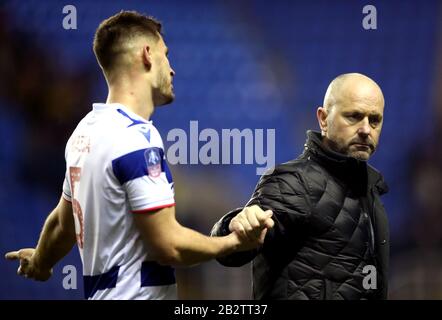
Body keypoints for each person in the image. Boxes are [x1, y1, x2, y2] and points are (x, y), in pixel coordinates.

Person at [4, 11, 274, 300]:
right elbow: (168, 245)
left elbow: (63, 222)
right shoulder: (137, 139)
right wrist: (231, 243)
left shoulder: (85, 132)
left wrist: (41, 261)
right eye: (165, 55)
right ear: (147, 55)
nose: (172, 69)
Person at [211, 73, 390, 300]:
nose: (366, 129)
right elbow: (230, 250)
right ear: (323, 119)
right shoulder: (293, 182)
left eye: (374, 120)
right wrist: (234, 224)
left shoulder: (369, 191)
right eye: (354, 117)